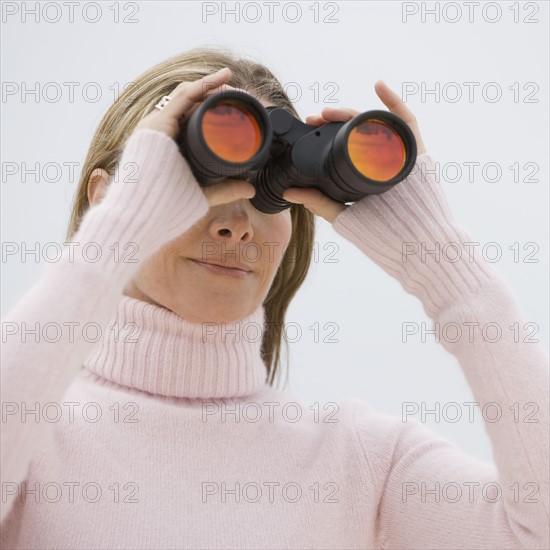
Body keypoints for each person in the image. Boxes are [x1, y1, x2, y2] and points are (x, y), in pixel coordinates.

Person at [1, 46, 548, 549]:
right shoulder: (33, 440)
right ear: (110, 199)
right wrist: (113, 236)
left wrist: (447, 269)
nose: (238, 225)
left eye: (266, 193)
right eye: (200, 183)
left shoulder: (358, 461)